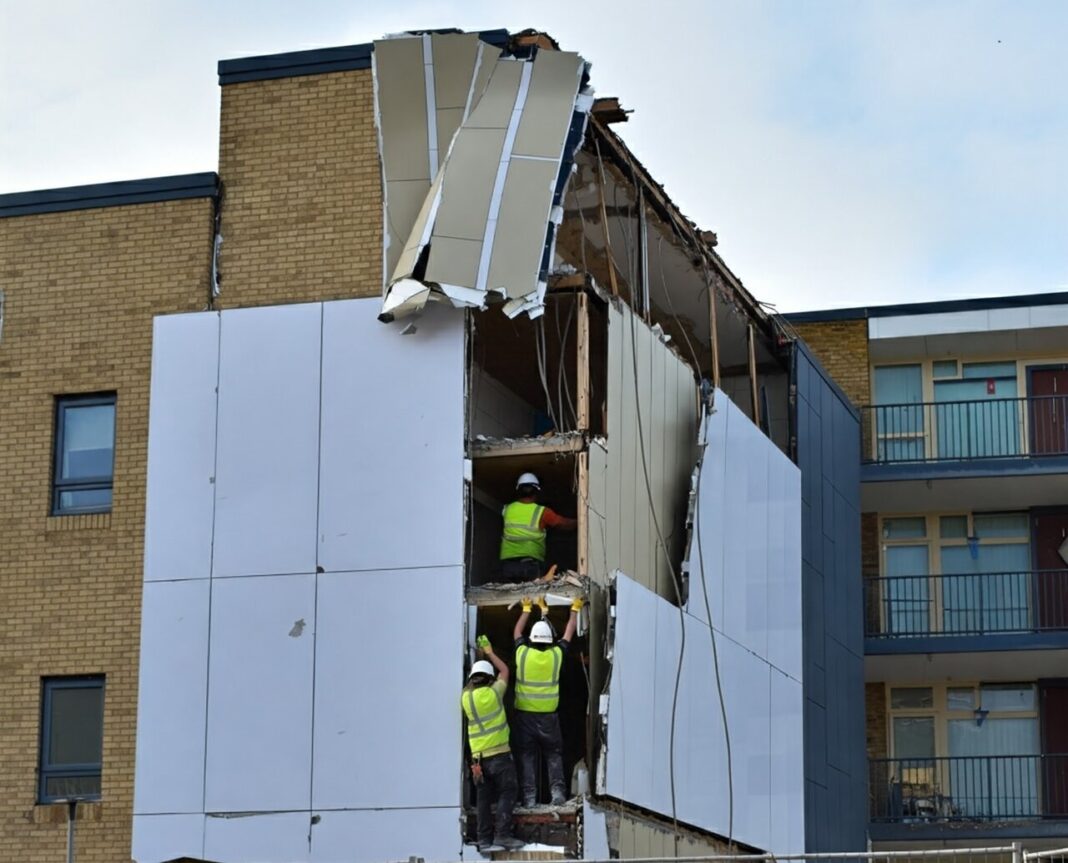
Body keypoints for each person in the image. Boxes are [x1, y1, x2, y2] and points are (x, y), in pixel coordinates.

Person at [512, 595, 583, 807]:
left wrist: (526, 609)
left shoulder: (522, 654)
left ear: (532, 639)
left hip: (524, 717)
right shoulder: (555, 656)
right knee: (553, 755)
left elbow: (516, 633)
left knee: (526, 757)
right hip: (548, 718)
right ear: (550, 640)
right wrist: (575, 607)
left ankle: (529, 798)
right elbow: (569, 631)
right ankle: (558, 794)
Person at [461, 636, 524, 853]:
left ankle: (484, 840)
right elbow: (505, 671)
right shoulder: (494, 694)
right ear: (489, 678)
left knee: (483, 799)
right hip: (499, 755)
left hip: (478, 760)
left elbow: (474, 682)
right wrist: (488, 652)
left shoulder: (465, 698)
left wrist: (477, 656)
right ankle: (503, 835)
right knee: (508, 791)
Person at [499, 472, 577, 582]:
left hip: (507, 566)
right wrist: (581, 521)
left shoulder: (507, 509)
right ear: (536, 491)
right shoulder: (542, 512)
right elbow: (563, 524)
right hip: (530, 566)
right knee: (532, 597)